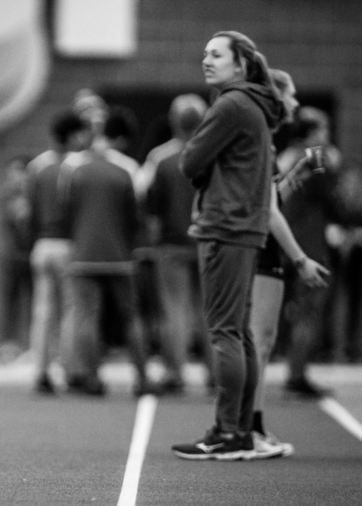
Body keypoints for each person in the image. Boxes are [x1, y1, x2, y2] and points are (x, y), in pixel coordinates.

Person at [171, 31, 283, 460]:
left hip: (225, 227)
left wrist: (205, 173)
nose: (206, 60)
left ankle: (227, 431)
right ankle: (241, 429)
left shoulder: (232, 104)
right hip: (244, 227)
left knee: (223, 332)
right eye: (204, 54)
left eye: (216, 55)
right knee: (239, 332)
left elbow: (189, 161)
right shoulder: (254, 104)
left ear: (240, 64)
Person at [247, 69, 330, 459]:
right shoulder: (261, 141)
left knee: (262, 340)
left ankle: (251, 424)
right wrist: (300, 258)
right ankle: (243, 426)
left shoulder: (271, 146)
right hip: (261, 247)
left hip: (268, 248)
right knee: (255, 340)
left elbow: (274, 198)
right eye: (290, 96)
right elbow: (269, 209)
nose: (294, 104)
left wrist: (297, 174)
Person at [276, 106, 362, 397]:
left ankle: (292, 368)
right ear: (311, 132)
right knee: (308, 312)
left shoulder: (286, 157)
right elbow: (334, 195)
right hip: (309, 246)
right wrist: (335, 164)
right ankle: (297, 374)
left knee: (294, 310)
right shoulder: (314, 157)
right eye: (323, 129)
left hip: (287, 243)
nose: (328, 135)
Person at [58, 116, 155, 398]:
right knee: (130, 317)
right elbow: (135, 217)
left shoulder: (75, 172)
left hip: (83, 256)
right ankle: (142, 378)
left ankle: (92, 378)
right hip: (119, 257)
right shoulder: (124, 172)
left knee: (87, 317)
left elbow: (66, 213)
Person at [143, 94, 211, 395]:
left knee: (174, 310)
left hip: (171, 245)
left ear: (173, 122)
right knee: (211, 311)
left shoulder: (161, 158)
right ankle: (216, 373)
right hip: (209, 243)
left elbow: (151, 204)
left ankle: (174, 372)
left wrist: (153, 240)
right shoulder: (214, 154)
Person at [25, 111, 91, 393]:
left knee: (42, 312)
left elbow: (30, 210)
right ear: (73, 136)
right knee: (71, 311)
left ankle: (40, 371)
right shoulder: (76, 166)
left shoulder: (36, 166)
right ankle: (70, 369)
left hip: (42, 244)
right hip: (68, 243)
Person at [0, 154, 35, 359]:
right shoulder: (6, 194)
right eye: (11, 172)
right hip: (12, 255)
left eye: (19, 172)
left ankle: (33, 345)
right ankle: (8, 344)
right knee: (11, 301)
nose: (15, 177)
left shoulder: (35, 194)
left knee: (34, 302)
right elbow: (12, 218)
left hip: (31, 255)